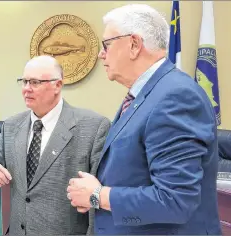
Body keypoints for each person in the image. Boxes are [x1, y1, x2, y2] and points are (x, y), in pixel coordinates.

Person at [67, 4, 222, 235]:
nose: (101, 53)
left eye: (106, 45)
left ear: (134, 44)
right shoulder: (145, 93)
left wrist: (99, 195)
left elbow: (174, 200)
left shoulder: (175, 97)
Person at [0, 55, 111, 235]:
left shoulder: (93, 127)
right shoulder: (11, 126)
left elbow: (100, 199)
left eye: (35, 82)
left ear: (57, 85)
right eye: (24, 81)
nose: (26, 89)